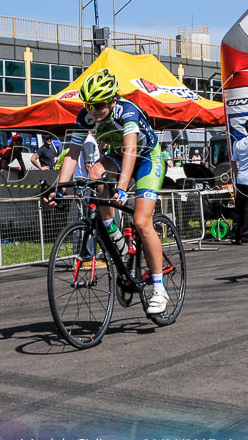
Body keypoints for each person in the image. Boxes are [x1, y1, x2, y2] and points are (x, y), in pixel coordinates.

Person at [50, 69, 170, 316]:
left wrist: (123, 188)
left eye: (99, 105)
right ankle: (111, 228)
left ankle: (159, 288)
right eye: (89, 104)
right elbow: (73, 153)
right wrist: (59, 188)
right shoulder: (86, 116)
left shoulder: (127, 111)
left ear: (113, 99)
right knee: (95, 173)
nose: (93, 110)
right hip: (119, 156)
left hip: (147, 158)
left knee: (140, 220)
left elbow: (131, 148)